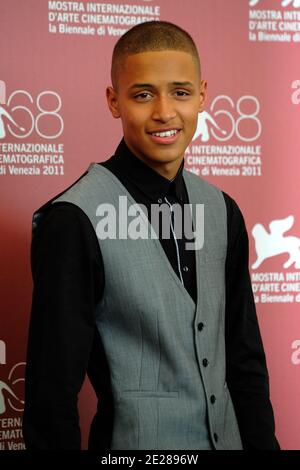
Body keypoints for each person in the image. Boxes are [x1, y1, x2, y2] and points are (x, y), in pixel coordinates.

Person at [23, 21, 279, 450]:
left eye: (180, 92)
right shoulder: (73, 220)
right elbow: (51, 396)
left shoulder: (222, 209)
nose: (164, 112)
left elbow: (244, 358)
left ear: (201, 96)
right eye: (143, 94)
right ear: (113, 101)